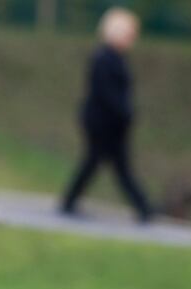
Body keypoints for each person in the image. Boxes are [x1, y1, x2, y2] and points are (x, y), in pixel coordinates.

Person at [60, 6, 153, 223]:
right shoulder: (104, 58)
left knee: (108, 164)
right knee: (103, 163)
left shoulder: (115, 58)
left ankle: (143, 207)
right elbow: (107, 93)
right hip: (103, 122)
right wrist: (125, 112)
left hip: (112, 123)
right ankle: (144, 207)